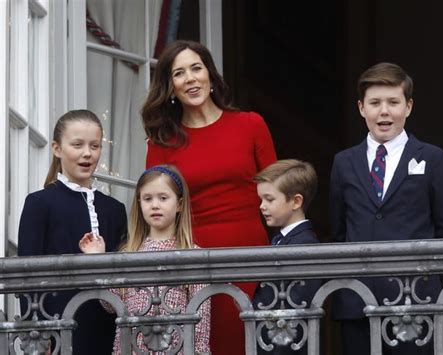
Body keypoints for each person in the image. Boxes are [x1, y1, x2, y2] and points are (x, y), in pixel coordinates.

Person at [142, 39, 277, 354]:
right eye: (179, 73)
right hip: (193, 263)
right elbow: (157, 207)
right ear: (170, 87)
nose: (190, 78)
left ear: (210, 76)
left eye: (196, 68)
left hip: (251, 256)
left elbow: (276, 195)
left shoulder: (250, 125)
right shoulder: (161, 142)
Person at [329, 62, 443, 355]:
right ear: (361, 108)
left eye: (393, 102)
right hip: (357, 301)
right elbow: (338, 230)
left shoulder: (432, 157)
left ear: (409, 106)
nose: (384, 111)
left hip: (415, 299)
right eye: (375, 103)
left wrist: (428, 283)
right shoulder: (344, 162)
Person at [17, 109, 128, 354]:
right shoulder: (39, 203)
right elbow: (25, 275)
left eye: (95, 146)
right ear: (57, 148)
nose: (87, 153)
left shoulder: (114, 209)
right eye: (77, 145)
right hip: (56, 331)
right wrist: (37, 332)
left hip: (107, 331)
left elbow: (123, 275)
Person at [79, 164, 211, 354]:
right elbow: (110, 305)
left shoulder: (193, 256)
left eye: (163, 198)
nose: (155, 205)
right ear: (139, 203)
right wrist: (98, 260)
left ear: (179, 204)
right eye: (147, 199)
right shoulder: (128, 254)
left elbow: (201, 324)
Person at [252, 159, 321, 355]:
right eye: (261, 200)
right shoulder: (280, 238)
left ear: (296, 201)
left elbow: (296, 308)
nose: (262, 207)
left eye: (269, 199)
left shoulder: (305, 245)